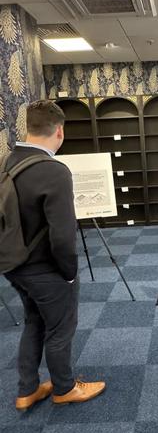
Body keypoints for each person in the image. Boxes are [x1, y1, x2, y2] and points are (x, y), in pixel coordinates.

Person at [4, 100, 105, 411]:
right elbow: (63, 235)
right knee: (60, 328)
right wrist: (69, 273)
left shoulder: (6, 162)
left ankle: (28, 389)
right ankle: (64, 388)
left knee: (34, 321)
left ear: (29, 127)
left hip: (13, 265)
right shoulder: (53, 171)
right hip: (45, 269)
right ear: (59, 131)